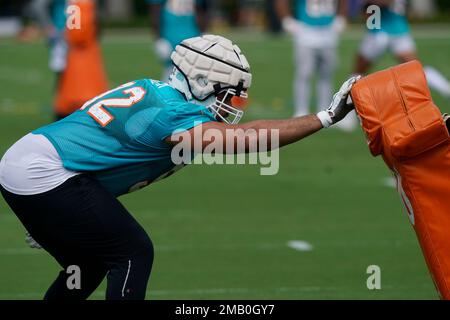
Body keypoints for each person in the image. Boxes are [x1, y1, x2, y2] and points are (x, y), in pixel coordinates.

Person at [0, 34, 359, 300]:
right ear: (202, 82)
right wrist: (324, 117)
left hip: (37, 165)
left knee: (90, 263)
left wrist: (55, 214)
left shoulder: (155, 92)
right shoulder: (171, 114)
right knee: (132, 252)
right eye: (227, 94)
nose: (232, 104)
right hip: (45, 173)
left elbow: (97, 150)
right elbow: (250, 138)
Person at [275, 0, 351, 129]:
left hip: (328, 32)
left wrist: (341, 17)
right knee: (304, 73)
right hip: (306, 31)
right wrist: (287, 19)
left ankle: (326, 111)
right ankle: (301, 110)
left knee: (326, 75)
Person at [355, 0, 450, 99]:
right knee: (357, 73)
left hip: (390, 30)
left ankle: (446, 89)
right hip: (386, 29)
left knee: (416, 69)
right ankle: (349, 109)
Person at [148, 0, 208, 81]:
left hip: (192, 35)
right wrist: (159, 39)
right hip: (172, 37)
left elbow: (199, 10)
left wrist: (203, 32)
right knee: (171, 73)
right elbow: (155, 11)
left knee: (196, 74)